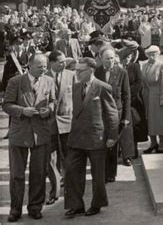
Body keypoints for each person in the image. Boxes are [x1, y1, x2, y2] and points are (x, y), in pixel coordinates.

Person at [3, 54, 56, 222]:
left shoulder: (49, 81)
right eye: (40, 66)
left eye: (45, 66)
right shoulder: (16, 82)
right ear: (30, 66)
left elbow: (54, 102)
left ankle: (35, 207)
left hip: (41, 134)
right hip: (19, 134)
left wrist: (48, 110)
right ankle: (15, 209)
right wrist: (22, 111)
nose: (44, 69)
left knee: (39, 173)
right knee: (17, 174)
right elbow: (6, 105)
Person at [64, 57, 119, 218]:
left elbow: (112, 114)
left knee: (98, 175)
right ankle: (76, 205)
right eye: (76, 70)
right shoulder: (75, 87)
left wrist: (112, 136)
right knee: (72, 171)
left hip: (97, 138)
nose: (78, 73)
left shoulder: (102, 88)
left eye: (81, 71)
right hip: (77, 138)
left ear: (91, 70)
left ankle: (97, 203)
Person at [95, 47, 131, 180]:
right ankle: (101, 172)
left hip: (116, 112)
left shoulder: (122, 72)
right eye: (107, 58)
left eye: (112, 58)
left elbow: (127, 96)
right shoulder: (96, 72)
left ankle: (111, 173)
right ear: (100, 58)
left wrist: (126, 117)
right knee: (101, 142)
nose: (110, 61)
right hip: (100, 112)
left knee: (113, 142)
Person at [46, 50, 76, 205]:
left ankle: (70, 190)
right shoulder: (43, 76)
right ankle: (54, 191)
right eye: (60, 62)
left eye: (65, 61)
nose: (64, 64)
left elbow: (77, 97)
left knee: (68, 157)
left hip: (67, 122)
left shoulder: (71, 75)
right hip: (48, 125)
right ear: (51, 63)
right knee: (50, 160)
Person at [141, 45, 163, 154]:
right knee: (149, 121)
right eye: (149, 54)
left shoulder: (162, 65)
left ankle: (162, 144)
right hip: (147, 96)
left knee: (159, 121)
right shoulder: (144, 65)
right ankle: (153, 143)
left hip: (158, 96)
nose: (152, 56)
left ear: (158, 54)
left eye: (154, 53)